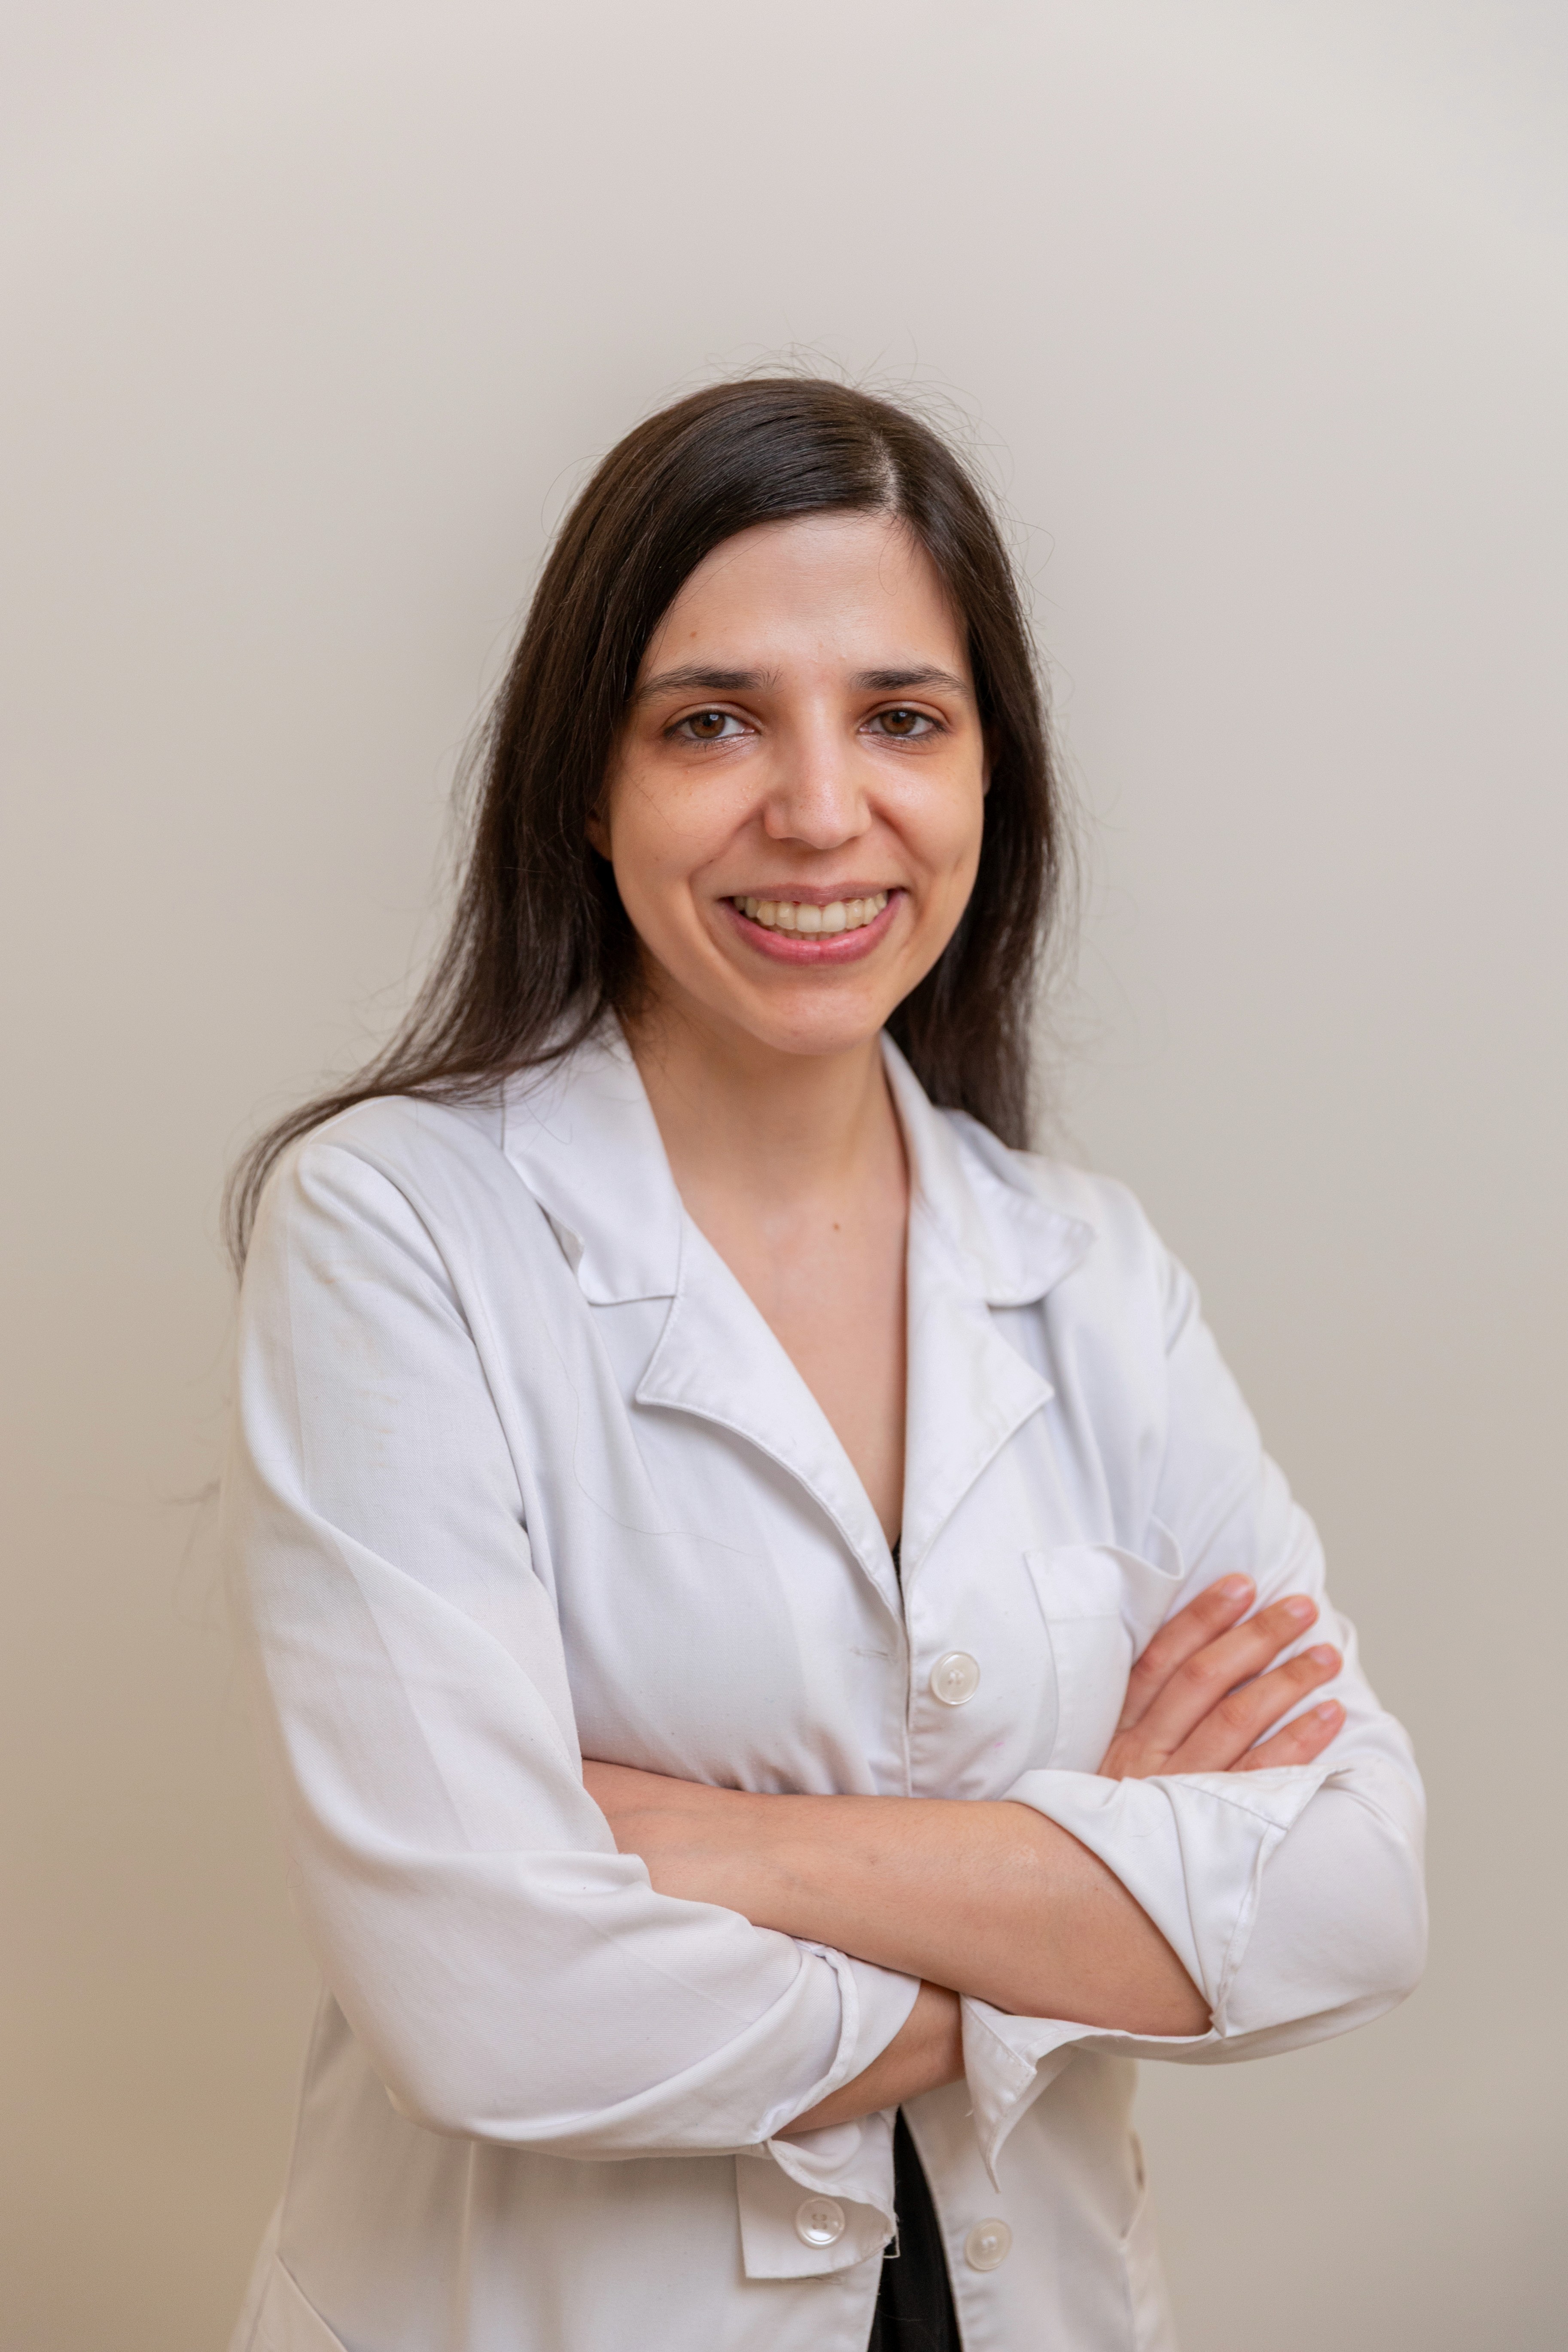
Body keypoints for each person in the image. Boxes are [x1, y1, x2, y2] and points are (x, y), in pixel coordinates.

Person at [221, 377, 1425, 2352]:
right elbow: (496, 2004)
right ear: (581, 785)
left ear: (987, 783)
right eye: (711, 720)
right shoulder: (394, 1227)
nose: (818, 806)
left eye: (900, 718)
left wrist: (725, 1842)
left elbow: (1355, 1892)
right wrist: (1102, 1905)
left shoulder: (1089, 1270)